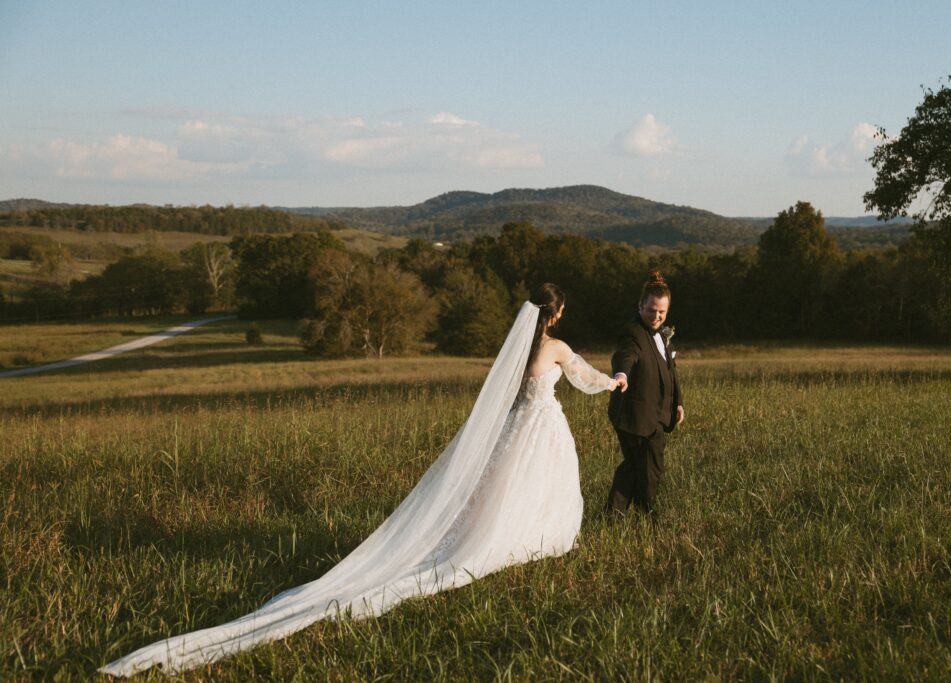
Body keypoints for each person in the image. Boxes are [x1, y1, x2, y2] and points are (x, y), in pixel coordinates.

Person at [99, 283, 625, 676]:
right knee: (537, 491)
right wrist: (616, 381)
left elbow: (504, 399)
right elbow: (586, 379)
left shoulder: (513, 353)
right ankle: (525, 539)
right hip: (545, 426)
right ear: (554, 314)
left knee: (505, 487)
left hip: (516, 429)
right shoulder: (555, 347)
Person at [606, 272, 684, 516]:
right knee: (646, 467)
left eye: (662, 312)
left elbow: (671, 373)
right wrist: (622, 375)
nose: (656, 316)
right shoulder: (632, 333)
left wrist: (678, 404)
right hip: (634, 414)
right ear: (640, 306)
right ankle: (644, 515)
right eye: (651, 310)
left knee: (640, 466)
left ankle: (617, 514)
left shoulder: (662, 335)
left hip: (657, 414)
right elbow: (626, 356)